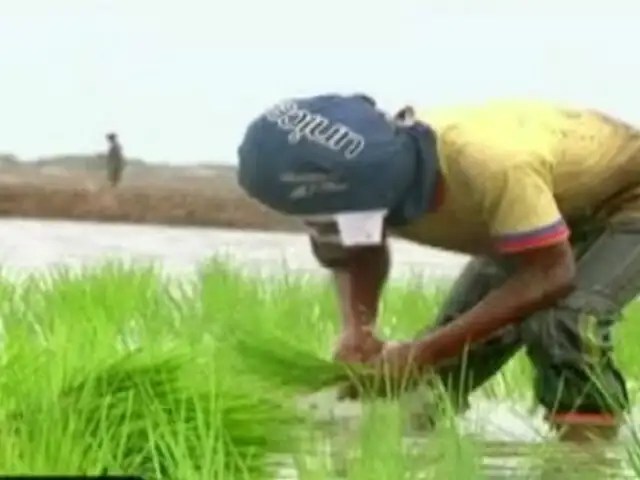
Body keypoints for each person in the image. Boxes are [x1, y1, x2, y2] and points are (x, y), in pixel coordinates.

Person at [236, 93, 640, 438]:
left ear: (381, 191)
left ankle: (587, 458)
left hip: (627, 193)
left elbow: (551, 273)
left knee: (564, 323)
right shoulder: (357, 188)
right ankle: (413, 446)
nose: (327, 227)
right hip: (552, 203)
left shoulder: (488, 164)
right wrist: (359, 329)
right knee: (447, 350)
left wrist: (421, 352)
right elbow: (360, 249)